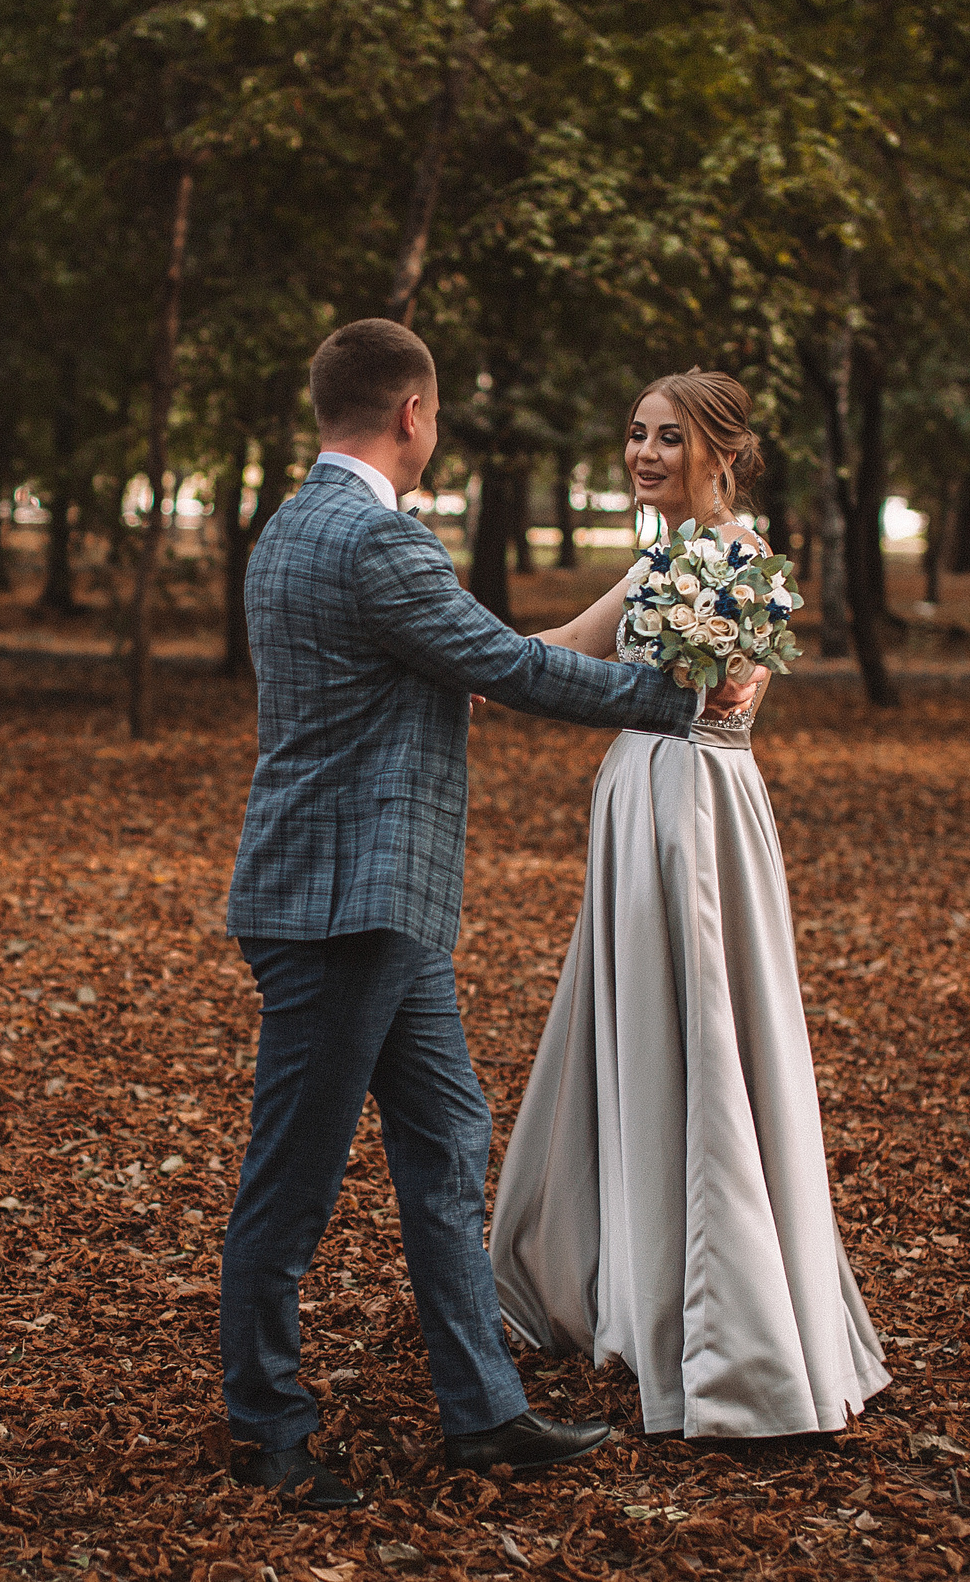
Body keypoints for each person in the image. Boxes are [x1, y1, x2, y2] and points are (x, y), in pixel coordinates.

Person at [221, 321, 711, 1506]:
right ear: (412, 414)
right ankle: (266, 1430)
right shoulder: (377, 543)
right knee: (290, 1181)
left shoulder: (289, 526)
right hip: (345, 908)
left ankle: (481, 1410)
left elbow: (453, 663)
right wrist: (675, 699)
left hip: (368, 899)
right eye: (435, 416)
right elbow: (510, 667)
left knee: (446, 1136)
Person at [489, 370, 890, 1438]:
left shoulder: (741, 561)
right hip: (632, 807)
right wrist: (465, 664)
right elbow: (565, 644)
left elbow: (729, 692)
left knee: (701, 1031)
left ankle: (725, 1322)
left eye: (669, 438)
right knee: (634, 1031)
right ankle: (628, 1272)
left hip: (694, 816)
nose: (645, 452)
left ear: (720, 452)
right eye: (634, 435)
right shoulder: (660, 559)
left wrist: (719, 675)